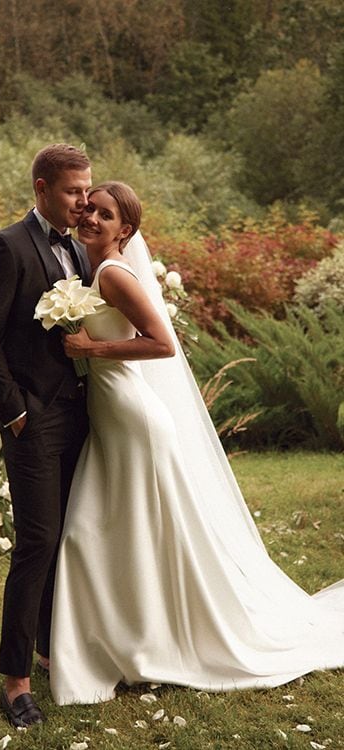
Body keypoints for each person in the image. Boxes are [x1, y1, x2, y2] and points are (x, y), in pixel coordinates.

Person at [49, 181, 344, 705]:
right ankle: (135, 633)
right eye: (89, 208)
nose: (91, 217)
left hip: (132, 417)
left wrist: (93, 347)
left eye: (105, 214)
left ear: (127, 230)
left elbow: (162, 343)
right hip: (114, 416)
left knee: (107, 530)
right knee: (121, 529)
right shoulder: (92, 269)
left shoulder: (114, 273)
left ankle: (150, 638)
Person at [0, 144, 92, 726]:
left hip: (85, 417)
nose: (83, 201)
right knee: (39, 541)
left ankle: (50, 650)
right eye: (72, 191)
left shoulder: (86, 249)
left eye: (87, 190)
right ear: (42, 189)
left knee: (71, 537)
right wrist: (14, 410)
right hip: (33, 419)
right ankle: (16, 680)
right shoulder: (7, 247)